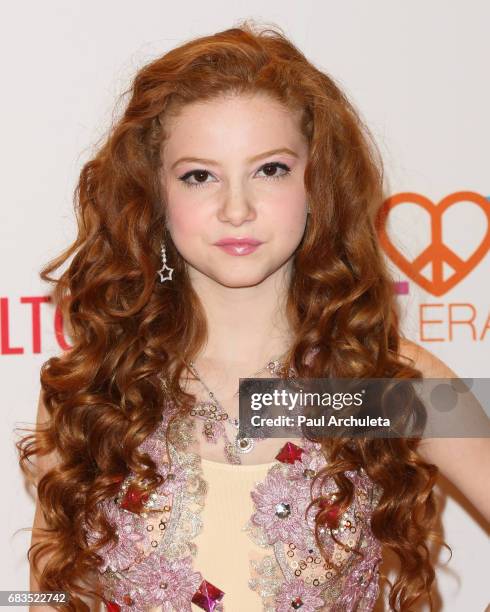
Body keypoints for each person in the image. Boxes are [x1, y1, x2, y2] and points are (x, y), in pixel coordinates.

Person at [17, 19, 489, 612]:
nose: (236, 209)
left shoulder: (384, 380)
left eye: (270, 170)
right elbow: (45, 593)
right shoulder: (94, 385)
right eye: (199, 176)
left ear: (318, 181)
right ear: (155, 195)